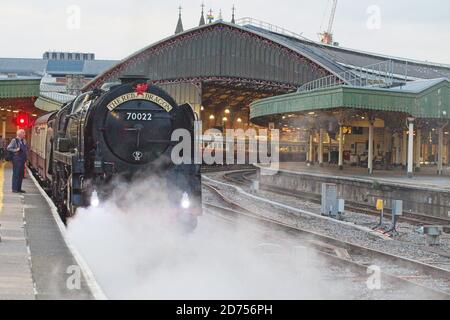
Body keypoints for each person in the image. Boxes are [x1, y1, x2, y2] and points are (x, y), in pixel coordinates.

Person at [7, 129, 28, 193]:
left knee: (21, 175)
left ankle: (19, 188)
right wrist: (16, 150)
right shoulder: (14, 140)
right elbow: (9, 148)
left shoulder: (23, 140)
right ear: (20, 134)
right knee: (16, 174)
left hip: (22, 160)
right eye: (23, 133)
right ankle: (14, 189)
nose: (25, 134)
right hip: (17, 160)